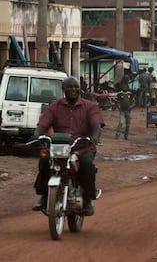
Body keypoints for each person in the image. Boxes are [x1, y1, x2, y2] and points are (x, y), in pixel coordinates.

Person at [31, 76, 105, 216]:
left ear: (79, 89)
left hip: (83, 147)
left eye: (75, 86)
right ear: (63, 89)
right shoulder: (55, 106)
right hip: (59, 147)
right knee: (45, 161)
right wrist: (37, 135)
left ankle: (88, 200)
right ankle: (45, 196)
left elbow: (96, 125)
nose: (73, 89)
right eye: (69, 87)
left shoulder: (90, 106)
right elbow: (43, 123)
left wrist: (94, 138)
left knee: (87, 165)